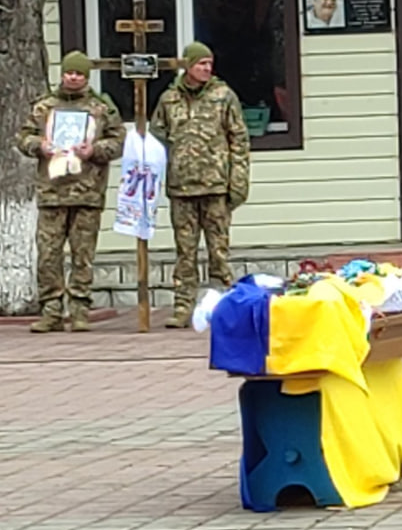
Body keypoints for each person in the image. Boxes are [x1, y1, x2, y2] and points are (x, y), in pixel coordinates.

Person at [16, 50, 126, 334]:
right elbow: (23, 136)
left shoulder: (101, 109)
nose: (74, 77)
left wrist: (95, 150)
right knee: (48, 255)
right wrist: (38, 146)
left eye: (79, 73)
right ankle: (51, 310)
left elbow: (117, 141)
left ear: (87, 77)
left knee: (82, 255)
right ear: (62, 74)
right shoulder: (44, 108)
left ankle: (79, 311)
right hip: (52, 192)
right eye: (69, 72)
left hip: (87, 192)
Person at [150, 41, 251, 329]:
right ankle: (183, 305)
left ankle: (222, 304)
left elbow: (239, 141)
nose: (207, 68)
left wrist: (238, 180)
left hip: (215, 185)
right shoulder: (169, 99)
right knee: (185, 250)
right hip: (182, 187)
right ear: (188, 66)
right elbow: (158, 136)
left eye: (209, 64)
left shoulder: (223, 96)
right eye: (200, 64)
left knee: (218, 249)